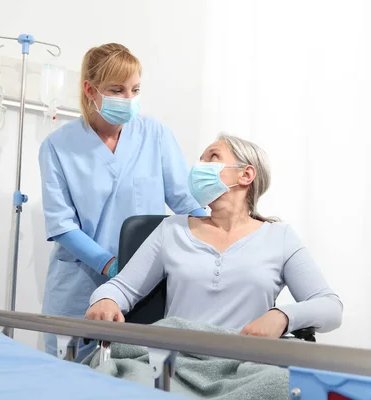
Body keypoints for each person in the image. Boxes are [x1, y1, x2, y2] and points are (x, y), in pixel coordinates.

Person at [39, 43, 206, 361]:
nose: (129, 100)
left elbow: (184, 199)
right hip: (79, 285)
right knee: (69, 378)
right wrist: (110, 264)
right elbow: (61, 225)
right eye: (117, 90)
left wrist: (219, 230)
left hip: (145, 281)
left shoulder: (154, 134)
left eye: (135, 90)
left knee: (138, 373)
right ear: (91, 89)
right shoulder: (58, 146)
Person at [85, 134, 343, 338]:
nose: (199, 167)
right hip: (174, 363)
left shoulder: (280, 237)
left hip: (244, 367)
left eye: (212, 157)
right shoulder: (172, 230)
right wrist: (105, 300)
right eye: (200, 159)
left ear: (246, 174)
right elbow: (121, 288)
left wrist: (283, 317)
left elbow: (330, 307)